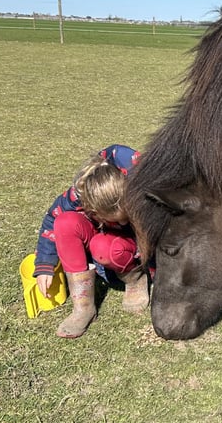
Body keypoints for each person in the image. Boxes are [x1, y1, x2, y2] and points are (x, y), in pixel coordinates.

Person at [34, 144, 149, 339]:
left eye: (125, 217)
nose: (123, 222)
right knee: (64, 223)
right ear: (92, 208)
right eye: (116, 219)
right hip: (97, 241)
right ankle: (83, 307)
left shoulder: (136, 183)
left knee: (102, 247)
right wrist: (45, 264)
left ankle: (135, 279)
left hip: (125, 247)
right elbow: (52, 219)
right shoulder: (80, 194)